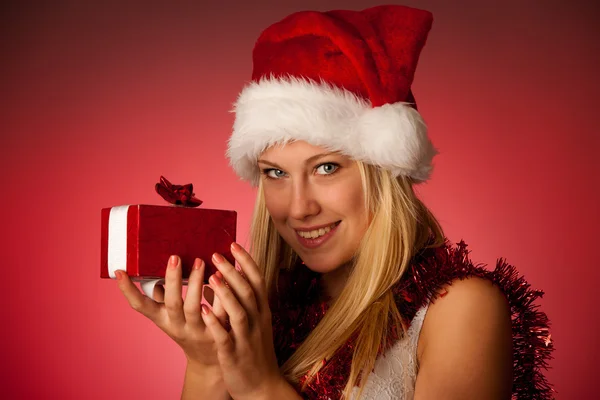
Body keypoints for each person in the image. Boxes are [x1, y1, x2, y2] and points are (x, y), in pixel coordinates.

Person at [115, 4, 554, 399]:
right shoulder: (266, 309)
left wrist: (262, 388)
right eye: (276, 173)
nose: (299, 207)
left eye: (326, 168)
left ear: (382, 171)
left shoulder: (459, 309)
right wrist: (208, 364)